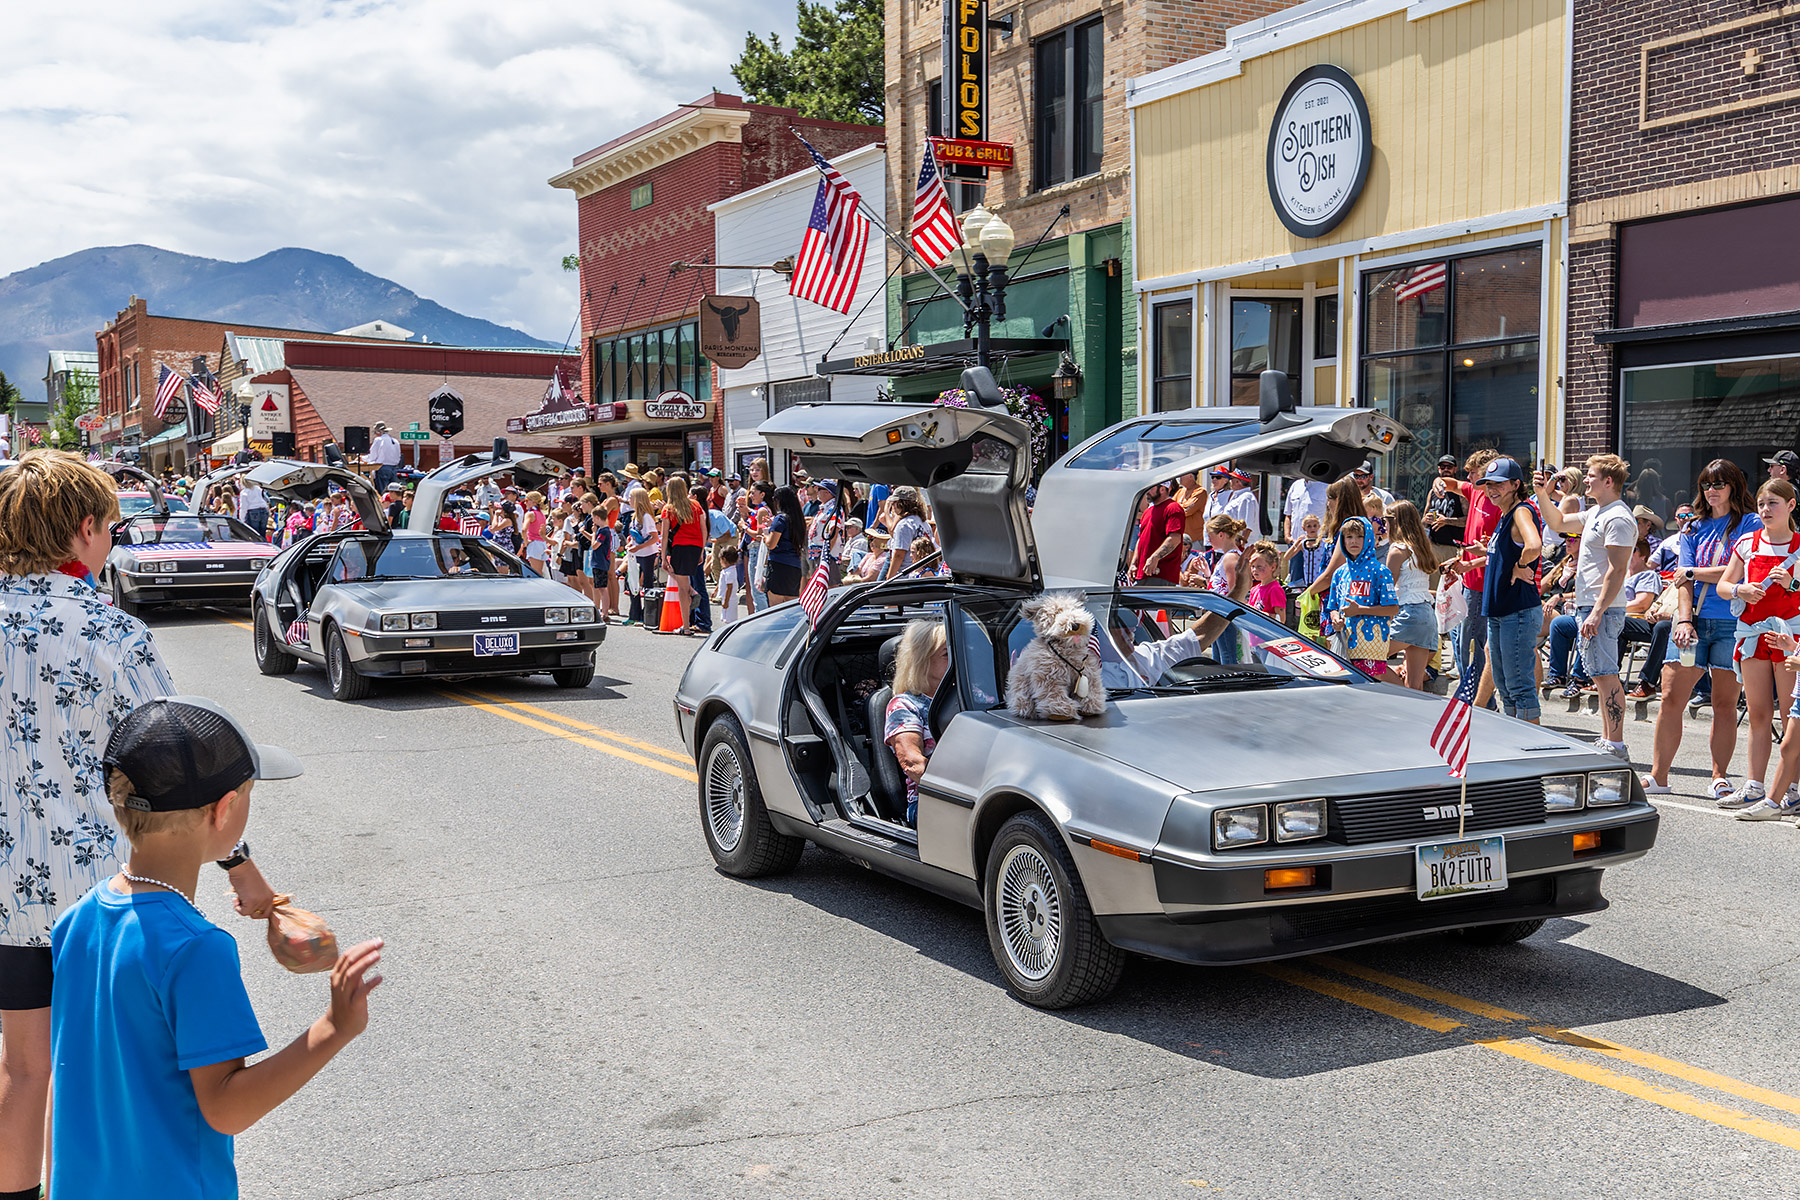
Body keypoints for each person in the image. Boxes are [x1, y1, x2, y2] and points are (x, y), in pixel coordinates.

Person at [0, 451, 281, 1200]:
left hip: (4, 896)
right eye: (111, 529)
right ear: (83, 529)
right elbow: (176, 759)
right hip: (98, 901)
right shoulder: (109, 631)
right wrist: (239, 864)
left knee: (23, 1069)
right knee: (101, 1075)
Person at [52, 697, 382, 1199]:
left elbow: (72, 1076)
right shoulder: (197, 949)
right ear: (225, 809)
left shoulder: (75, 922)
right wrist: (334, 1028)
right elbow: (227, 1108)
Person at [1640, 459, 1759, 797]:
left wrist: (1694, 573)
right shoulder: (1693, 527)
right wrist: (1685, 619)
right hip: (1694, 619)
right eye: (1706, 484)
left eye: (1719, 484)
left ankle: (1719, 776)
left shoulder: (1750, 523)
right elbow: (1681, 578)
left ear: (1734, 486)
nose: (1711, 491)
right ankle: (1659, 776)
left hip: (1732, 622)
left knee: (1724, 704)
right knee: (1670, 698)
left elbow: (1740, 573)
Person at [1537, 454, 1638, 760]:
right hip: (1589, 604)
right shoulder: (1596, 512)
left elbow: (1617, 570)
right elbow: (1556, 521)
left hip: (1602, 607)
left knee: (1606, 674)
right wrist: (1542, 494)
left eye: (1592, 475)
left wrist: (1597, 611)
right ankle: (1609, 739)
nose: (1586, 480)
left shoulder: (1617, 517)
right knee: (1598, 674)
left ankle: (1616, 744)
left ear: (1609, 481)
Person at [1712, 479, 1800, 813]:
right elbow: (1724, 585)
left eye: (1773, 503)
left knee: (1793, 717)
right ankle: (1754, 785)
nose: (1765, 510)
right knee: (1758, 713)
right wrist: (1741, 591)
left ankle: (1791, 788)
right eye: (1762, 503)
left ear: (1791, 506)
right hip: (1752, 634)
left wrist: (1791, 582)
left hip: (1789, 635)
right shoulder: (1747, 542)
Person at [1469, 458, 1543, 722]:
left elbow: (1533, 545)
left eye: (1499, 484)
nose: (1492, 490)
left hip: (1517, 611)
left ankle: (1530, 750)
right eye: (1488, 484)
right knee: (1506, 688)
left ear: (1516, 484)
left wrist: (1520, 565)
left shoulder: (1521, 511)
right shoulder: (1506, 514)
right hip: (1503, 612)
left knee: (1519, 688)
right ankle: (1516, 746)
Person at [883, 619, 949, 828]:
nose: (958, 659)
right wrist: (960, 789)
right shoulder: (904, 705)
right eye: (947, 654)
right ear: (923, 661)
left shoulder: (971, 695)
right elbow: (913, 764)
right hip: (930, 801)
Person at [1324, 516, 1398, 678]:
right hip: (1344, 644)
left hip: (1372, 647)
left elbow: (1393, 608)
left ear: (1369, 538)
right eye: (1349, 537)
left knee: (1369, 693)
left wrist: (1359, 610)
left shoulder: (1380, 571)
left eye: (1359, 536)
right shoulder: (1340, 573)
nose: (1354, 541)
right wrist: (1335, 618)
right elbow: (1333, 606)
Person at [1385, 500, 1441, 691]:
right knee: (1415, 683)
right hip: (1426, 614)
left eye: (1386, 520)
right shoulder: (1422, 547)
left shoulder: (1397, 550)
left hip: (1409, 614)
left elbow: (1387, 590)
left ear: (1394, 522)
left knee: (1367, 659)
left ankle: (1399, 691)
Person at [658, 476, 708, 634]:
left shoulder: (668, 508)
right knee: (683, 583)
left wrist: (662, 555)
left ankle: (685, 626)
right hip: (695, 547)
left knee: (682, 587)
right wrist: (701, 550)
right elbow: (703, 529)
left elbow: (665, 535)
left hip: (679, 547)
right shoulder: (695, 505)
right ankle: (692, 593)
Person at [1132, 480, 1186, 585]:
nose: (1147, 491)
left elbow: (1175, 538)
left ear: (1162, 489)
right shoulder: (1148, 511)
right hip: (1142, 574)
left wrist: (1155, 557)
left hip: (1160, 575)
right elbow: (1141, 539)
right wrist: (1134, 563)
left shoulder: (1173, 508)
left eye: (1151, 488)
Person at [623, 488, 662, 626]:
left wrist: (638, 547)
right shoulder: (635, 517)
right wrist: (630, 544)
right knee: (631, 583)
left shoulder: (646, 517)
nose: (629, 500)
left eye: (631, 497)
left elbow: (654, 537)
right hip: (636, 554)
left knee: (646, 584)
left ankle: (647, 615)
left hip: (647, 554)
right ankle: (634, 614)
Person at [763, 485, 807, 604]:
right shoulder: (798, 519)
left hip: (779, 564)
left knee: (775, 607)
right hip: (795, 566)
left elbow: (771, 544)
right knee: (791, 607)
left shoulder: (780, 519)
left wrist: (765, 536)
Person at [880, 487, 934, 581]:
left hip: (904, 576)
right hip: (921, 573)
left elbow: (899, 555)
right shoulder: (924, 523)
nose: (893, 506)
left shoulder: (904, 525)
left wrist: (889, 578)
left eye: (894, 502)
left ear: (901, 503)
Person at [1423, 455, 1467, 561]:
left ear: (1455, 469)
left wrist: (1446, 521)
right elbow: (1424, 519)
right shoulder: (1432, 492)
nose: (1446, 469)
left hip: (1454, 547)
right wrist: (1426, 520)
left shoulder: (1460, 492)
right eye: (1442, 467)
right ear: (1438, 469)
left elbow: (1468, 521)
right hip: (1433, 546)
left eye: (1449, 467)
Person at [1243, 542, 1287, 622]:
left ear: (1273, 567)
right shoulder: (1254, 589)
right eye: (1252, 566)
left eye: (1259, 567)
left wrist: (1254, 611)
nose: (1254, 570)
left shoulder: (1275, 589)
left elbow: (1280, 619)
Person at [1283, 474, 1328, 541]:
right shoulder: (1296, 485)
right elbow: (1288, 515)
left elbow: (1332, 515)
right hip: (1294, 542)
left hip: (1317, 543)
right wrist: (1287, 536)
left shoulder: (1326, 487)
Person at [367, 421, 402, 493]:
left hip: (382, 467)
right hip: (394, 468)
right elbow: (398, 456)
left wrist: (363, 458)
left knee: (383, 492)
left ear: (378, 432)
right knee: (393, 492)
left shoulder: (379, 440)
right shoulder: (395, 441)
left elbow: (373, 456)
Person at [522, 491, 550, 576]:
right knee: (540, 572)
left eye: (527, 500)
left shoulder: (530, 514)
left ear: (533, 502)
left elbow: (524, 530)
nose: (525, 502)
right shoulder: (541, 514)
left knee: (535, 573)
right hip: (542, 544)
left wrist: (526, 541)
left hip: (534, 544)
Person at [237, 475, 270, 541]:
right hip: (264, 509)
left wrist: (242, 519)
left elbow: (243, 507)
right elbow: (266, 499)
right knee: (262, 532)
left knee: (254, 534)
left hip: (253, 511)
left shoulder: (244, 492)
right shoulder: (258, 489)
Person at [716, 547, 742, 624]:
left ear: (724, 559)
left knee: (729, 620)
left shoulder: (730, 572)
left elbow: (729, 587)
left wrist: (726, 601)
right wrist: (716, 591)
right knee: (726, 618)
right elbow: (722, 582)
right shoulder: (726, 570)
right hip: (726, 598)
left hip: (730, 599)